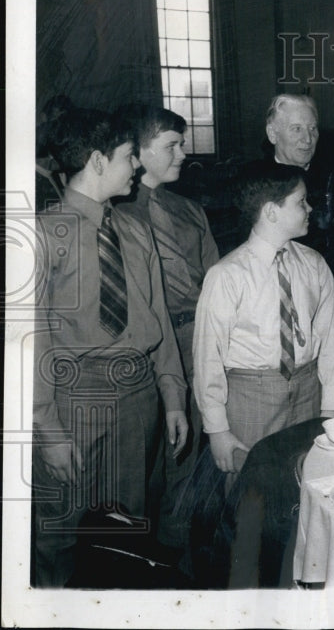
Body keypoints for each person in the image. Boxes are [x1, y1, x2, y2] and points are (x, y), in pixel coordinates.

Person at [32, 108, 188, 587]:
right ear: (98, 161)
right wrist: (49, 429)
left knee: (126, 530)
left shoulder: (136, 231)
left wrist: (173, 396)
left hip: (139, 398)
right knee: (60, 534)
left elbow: (158, 317)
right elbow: (27, 339)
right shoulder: (43, 234)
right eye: (127, 158)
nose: (136, 167)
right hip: (76, 400)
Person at [193, 162, 334, 482]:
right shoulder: (227, 275)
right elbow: (208, 358)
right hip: (250, 399)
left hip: (307, 393)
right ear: (271, 212)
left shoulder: (314, 265)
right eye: (301, 201)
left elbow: (331, 340)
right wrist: (218, 429)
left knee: (302, 486)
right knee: (250, 497)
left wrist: (330, 408)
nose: (310, 208)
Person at [115, 104, 220, 553]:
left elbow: (216, 279)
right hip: (154, 347)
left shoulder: (190, 209)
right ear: (138, 151)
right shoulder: (117, 214)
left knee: (196, 448)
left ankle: (180, 547)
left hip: (200, 339)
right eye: (172, 145)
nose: (183, 153)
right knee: (148, 458)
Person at [246, 93, 334, 287]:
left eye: (312, 129)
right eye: (296, 129)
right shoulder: (252, 182)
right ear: (273, 133)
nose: (307, 139)